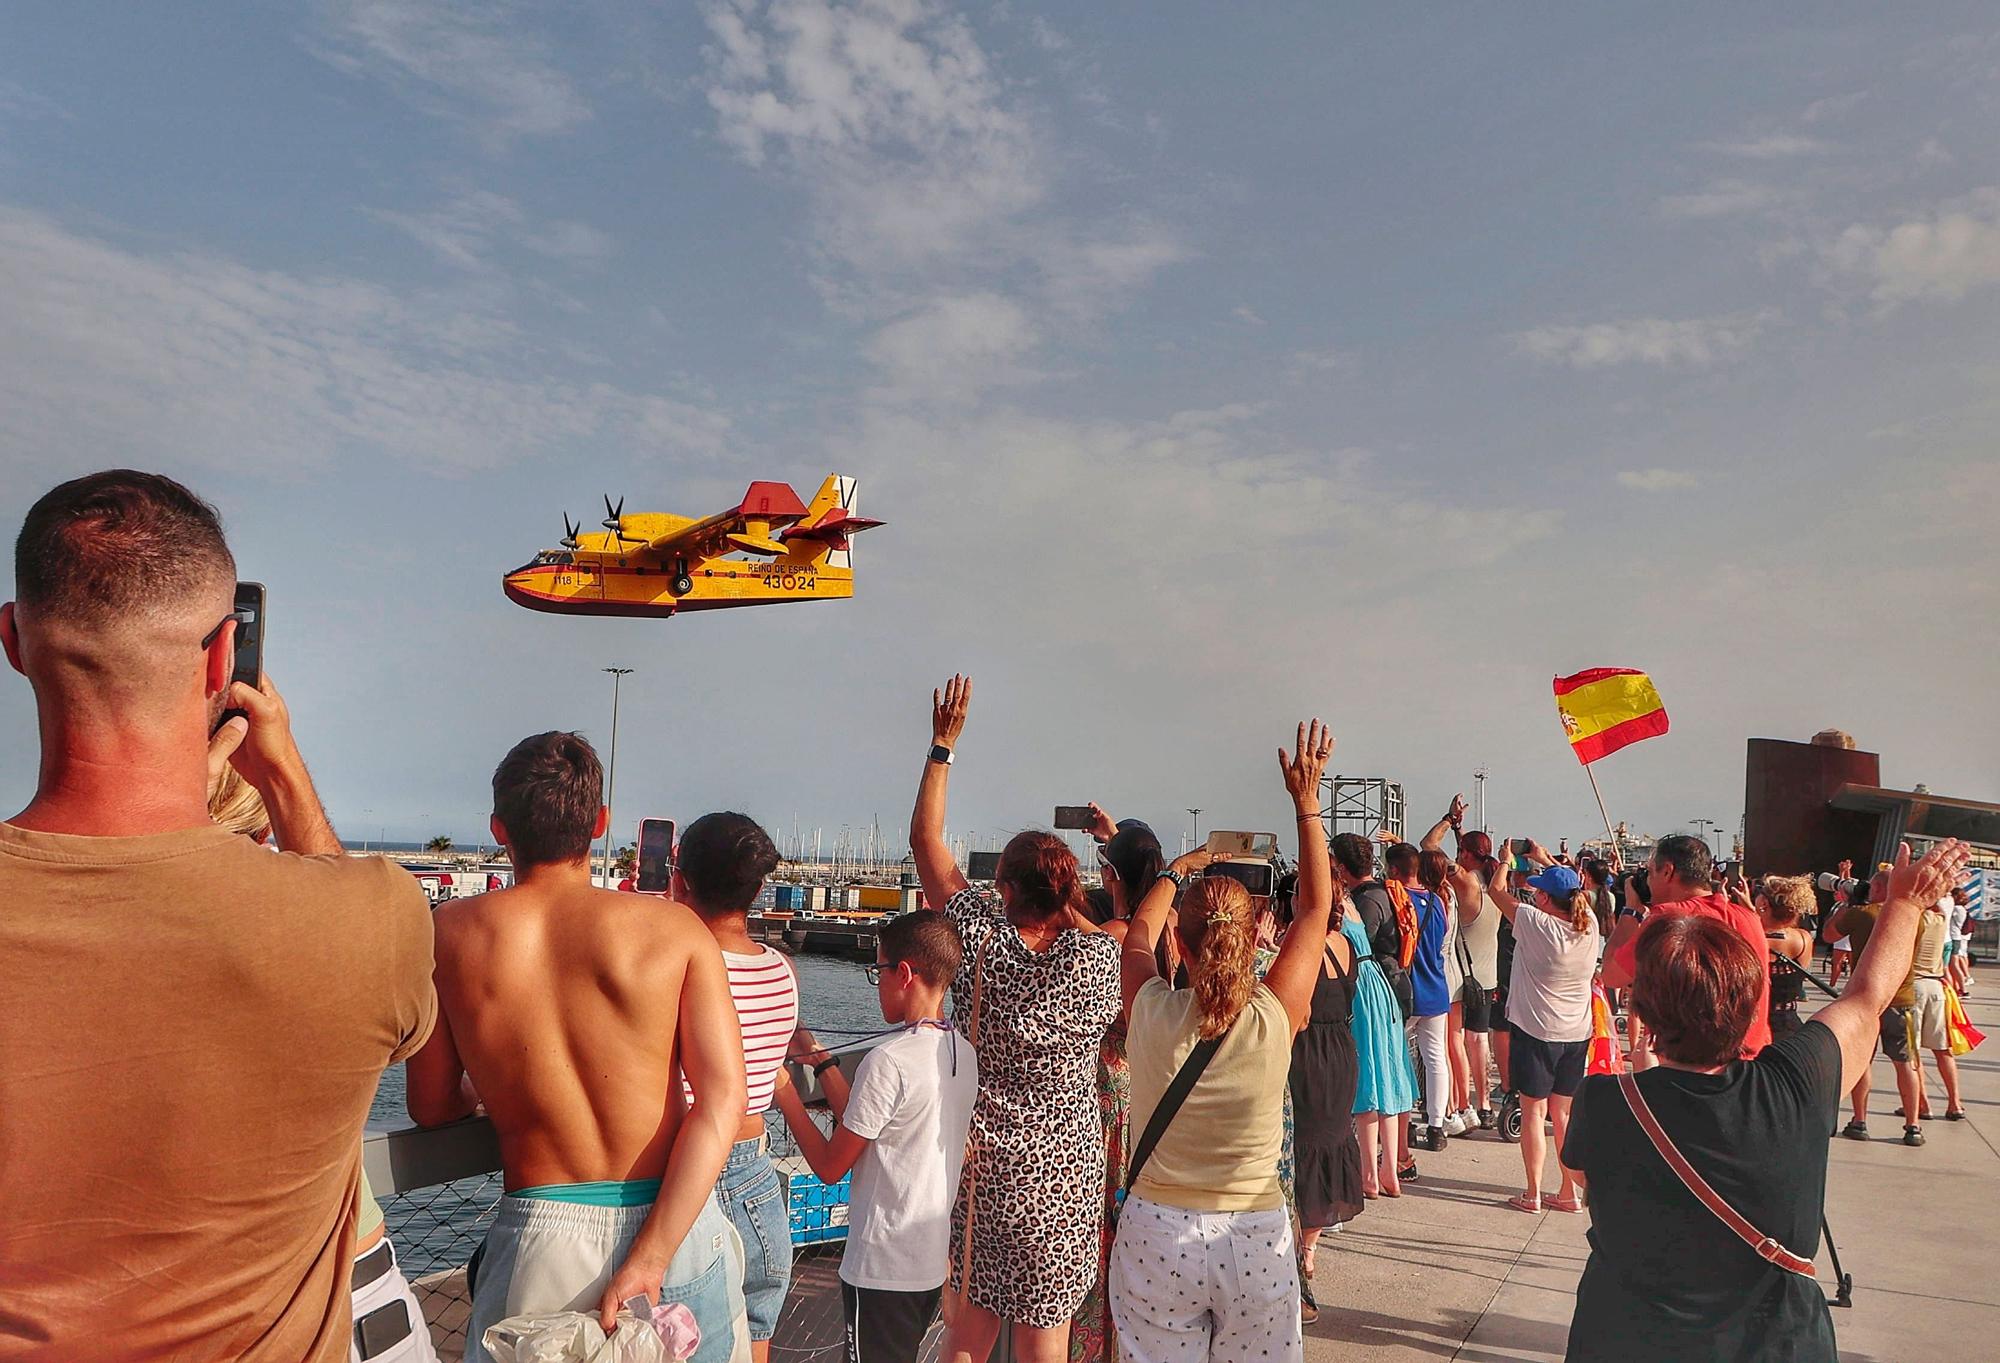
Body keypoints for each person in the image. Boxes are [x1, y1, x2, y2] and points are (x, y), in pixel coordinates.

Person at [0, 470, 436, 1362]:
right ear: (222, 660)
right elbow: (351, 930)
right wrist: (279, 771)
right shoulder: (369, 920)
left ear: (12, 639)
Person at [406, 732, 750, 1363]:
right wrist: (652, 1254)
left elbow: (430, 1107)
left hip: (543, 1239)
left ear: (499, 829)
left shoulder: (447, 935)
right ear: (599, 823)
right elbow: (723, 1100)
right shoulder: (674, 930)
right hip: (676, 1226)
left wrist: (495, 1090)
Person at [1563, 841, 1972, 1363]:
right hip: (1777, 1343)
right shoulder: (1798, 1083)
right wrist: (1906, 904)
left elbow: (1584, 1179)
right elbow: (1867, 998)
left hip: (1626, 1339)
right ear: (1750, 996)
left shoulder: (1606, 1102)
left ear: (1644, 1007)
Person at [1109, 720, 1337, 1363]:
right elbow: (1316, 909)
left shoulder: (1151, 1010)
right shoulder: (1273, 1016)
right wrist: (1307, 803)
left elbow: (1133, 938)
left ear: (1178, 945)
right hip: (1253, 1234)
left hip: (1157, 1231)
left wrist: (1177, 872)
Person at [909, 676, 1121, 1363]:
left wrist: (942, 746)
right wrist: (1073, 904)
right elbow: (1123, 926)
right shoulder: (1097, 962)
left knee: (968, 1338)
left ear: (1003, 888)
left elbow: (925, 841)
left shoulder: (979, 935)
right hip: (1064, 1174)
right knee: (1044, 1345)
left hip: (987, 1168)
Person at [209, 768, 441, 1363]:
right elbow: (359, 917)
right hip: (359, 1299)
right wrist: (281, 767)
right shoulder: (315, 952)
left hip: (216, 1313)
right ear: (264, 839)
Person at [774, 911, 979, 1363]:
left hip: (880, 1269)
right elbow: (870, 1127)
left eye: (879, 970)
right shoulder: (962, 1054)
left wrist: (784, 1090)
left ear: (904, 974)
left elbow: (831, 1166)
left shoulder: (889, 1060)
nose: (878, 982)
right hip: (924, 1265)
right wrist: (825, 1064)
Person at [675, 812, 801, 1363]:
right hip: (755, 1169)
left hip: (687, 1164)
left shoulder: (679, 966)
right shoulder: (781, 970)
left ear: (681, 880)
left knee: (674, 1331)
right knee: (755, 1327)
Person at [1481, 859, 1599, 1214]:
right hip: (1576, 1032)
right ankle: (1568, 1192)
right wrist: (1548, 859)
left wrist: (1504, 861)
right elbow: (1578, 894)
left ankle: (1532, 1192)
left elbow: (1495, 891)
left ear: (1546, 899)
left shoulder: (1535, 922)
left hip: (1537, 1030)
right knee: (1562, 1115)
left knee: (1533, 1112)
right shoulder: (1589, 924)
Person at [1601, 835, 1771, 1070]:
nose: (1647, 882)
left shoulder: (1667, 918)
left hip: (1692, 1069)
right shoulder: (1747, 917)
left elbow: (1611, 975)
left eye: (1650, 873)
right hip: (1750, 1062)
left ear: (1668, 872)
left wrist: (1631, 910)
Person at [1328, 836, 1419, 1195]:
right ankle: (1389, 1171)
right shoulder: (1375, 896)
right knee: (1390, 1076)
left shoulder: (1343, 905)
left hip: (1362, 989)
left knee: (1367, 1081)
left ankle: (1368, 1175)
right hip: (1383, 988)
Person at [1827, 872, 1926, 1145]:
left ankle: (1859, 1120)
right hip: (1903, 998)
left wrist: (1850, 903)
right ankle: (1913, 1126)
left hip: (1867, 1001)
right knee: (1905, 1063)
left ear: (1879, 887)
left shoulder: (1862, 914)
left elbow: (1828, 933)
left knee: (1862, 1061)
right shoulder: (1915, 917)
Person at [1388, 841, 1454, 1152]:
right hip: (1437, 987)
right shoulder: (1439, 901)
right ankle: (1437, 1126)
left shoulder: (1399, 900)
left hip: (1409, 990)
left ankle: (1405, 1120)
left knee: (1400, 1055)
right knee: (1435, 1058)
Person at [1908, 892, 1967, 1122]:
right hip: (1936, 985)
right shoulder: (1940, 918)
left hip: (1914, 986)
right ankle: (1955, 1103)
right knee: (1943, 1050)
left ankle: (1922, 1104)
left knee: (1912, 1052)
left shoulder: (1915, 919)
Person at [1755, 875, 1817, 1042]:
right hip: (1788, 1025)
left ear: (1764, 904)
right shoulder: (1803, 939)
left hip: (1753, 1026)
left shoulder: (1749, 936)